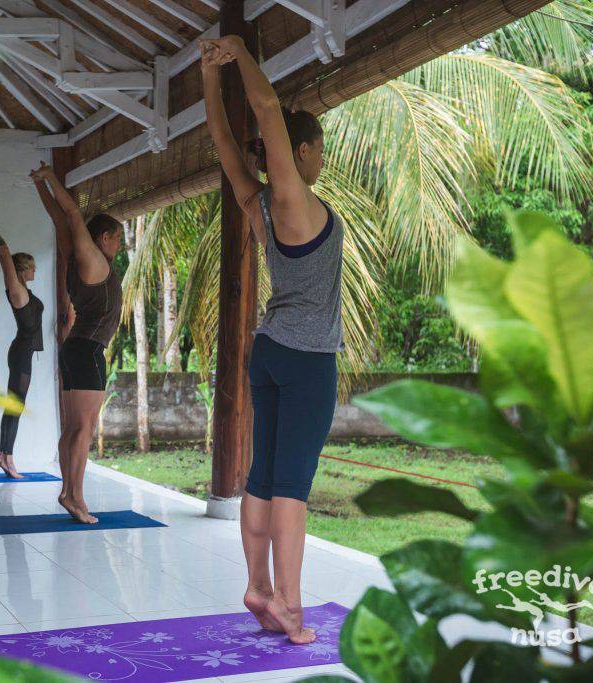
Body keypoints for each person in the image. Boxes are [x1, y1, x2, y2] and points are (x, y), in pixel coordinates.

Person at [200, 34, 344, 644]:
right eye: (314, 149)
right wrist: (238, 52)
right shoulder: (292, 199)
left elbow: (225, 144)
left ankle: (257, 586)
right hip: (308, 359)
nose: (316, 159)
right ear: (301, 150)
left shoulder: (258, 202)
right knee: (292, 486)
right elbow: (262, 113)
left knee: (261, 476)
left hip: (269, 351)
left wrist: (210, 78)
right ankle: (288, 604)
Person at [30, 161, 124, 524]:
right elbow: (70, 214)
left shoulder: (76, 258)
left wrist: (41, 185)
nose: (120, 243)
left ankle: (69, 493)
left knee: (72, 428)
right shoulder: (93, 261)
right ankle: (77, 498)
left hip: (74, 349)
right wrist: (51, 176)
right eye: (117, 237)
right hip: (87, 350)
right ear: (103, 238)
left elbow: (59, 219)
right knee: (84, 429)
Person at [0, 211, 44, 480]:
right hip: (20, 355)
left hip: (22, 352)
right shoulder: (16, 290)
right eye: (31, 267)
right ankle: (7, 458)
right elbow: (4, 256)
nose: (35, 270)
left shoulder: (25, 292)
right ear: (21, 270)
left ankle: (5, 456)